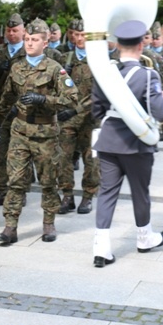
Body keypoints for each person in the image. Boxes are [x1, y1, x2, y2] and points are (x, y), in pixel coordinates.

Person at [91, 20, 163, 268]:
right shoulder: (148, 75)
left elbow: (96, 109)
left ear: (118, 45)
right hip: (136, 145)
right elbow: (160, 112)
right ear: (140, 45)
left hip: (109, 140)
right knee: (140, 192)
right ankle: (144, 239)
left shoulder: (106, 73)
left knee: (106, 193)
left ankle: (101, 248)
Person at [0, 19, 78, 244]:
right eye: (27, 39)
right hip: (20, 132)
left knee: (48, 180)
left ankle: (48, 223)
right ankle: (10, 226)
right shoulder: (16, 66)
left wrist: (45, 99)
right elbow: (6, 99)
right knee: (15, 180)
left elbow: (72, 98)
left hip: (45, 134)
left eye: (35, 40)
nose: (29, 44)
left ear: (46, 42)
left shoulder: (53, 68)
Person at [0, 13, 29, 207]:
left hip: (23, 111)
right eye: (9, 30)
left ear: (23, 31)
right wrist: (0, 71)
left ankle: (20, 191)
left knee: (21, 153)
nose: (12, 34)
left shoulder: (30, 51)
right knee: (0, 150)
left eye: (15, 30)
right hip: (1, 110)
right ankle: (1, 190)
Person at [57, 20, 100, 214]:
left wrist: (76, 111)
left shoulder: (100, 60)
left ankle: (88, 196)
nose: (79, 38)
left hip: (91, 120)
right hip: (66, 119)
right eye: (76, 34)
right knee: (63, 158)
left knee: (91, 160)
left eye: (84, 35)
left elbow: (99, 94)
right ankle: (67, 195)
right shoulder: (64, 59)